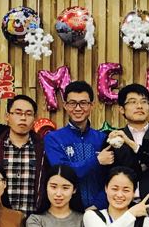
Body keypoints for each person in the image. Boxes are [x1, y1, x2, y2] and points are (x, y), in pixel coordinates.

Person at [43, 81, 110, 209]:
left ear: (92, 105)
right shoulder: (53, 139)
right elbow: (63, 173)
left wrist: (97, 205)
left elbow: (110, 177)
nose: (78, 108)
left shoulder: (102, 138)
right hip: (66, 211)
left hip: (99, 210)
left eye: (83, 103)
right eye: (72, 103)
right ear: (65, 106)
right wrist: (96, 160)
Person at [0, 94, 45, 217]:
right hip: (0, 221)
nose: (23, 118)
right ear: (7, 117)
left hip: (34, 221)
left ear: (35, 118)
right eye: (18, 113)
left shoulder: (44, 151)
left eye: (28, 114)